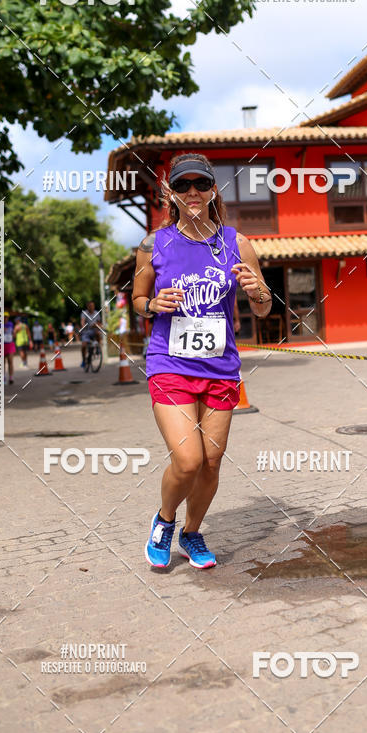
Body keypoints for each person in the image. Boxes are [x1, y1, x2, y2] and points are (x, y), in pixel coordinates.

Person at [132, 153, 272, 570]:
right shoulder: (152, 245)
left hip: (220, 368)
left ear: (213, 190)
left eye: (201, 184)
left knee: (211, 462)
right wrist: (153, 303)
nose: (193, 192)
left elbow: (264, 309)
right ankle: (165, 520)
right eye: (183, 185)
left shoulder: (238, 243)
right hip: (169, 364)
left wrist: (256, 291)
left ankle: (192, 532)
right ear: (170, 194)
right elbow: (139, 300)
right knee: (188, 459)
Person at [80, 300, 101, 368]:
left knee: (98, 333)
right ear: (87, 307)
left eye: (93, 306)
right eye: (90, 306)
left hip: (94, 331)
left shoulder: (97, 313)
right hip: (86, 332)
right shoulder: (84, 313)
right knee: (84, 346)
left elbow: (99, 323)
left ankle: (98, 348)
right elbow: (82, 321)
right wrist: (84, 326)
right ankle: (83, 360)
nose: (92, 307)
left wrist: (97, 325)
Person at [4, 312, 15, 384]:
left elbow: (13, 332)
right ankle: (3, 378)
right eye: (3, 317)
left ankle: (11, 378)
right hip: (1, 345)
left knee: (10, 361)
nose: (5, 318)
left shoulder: (10, 324)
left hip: (10, 344)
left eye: (6, 317)